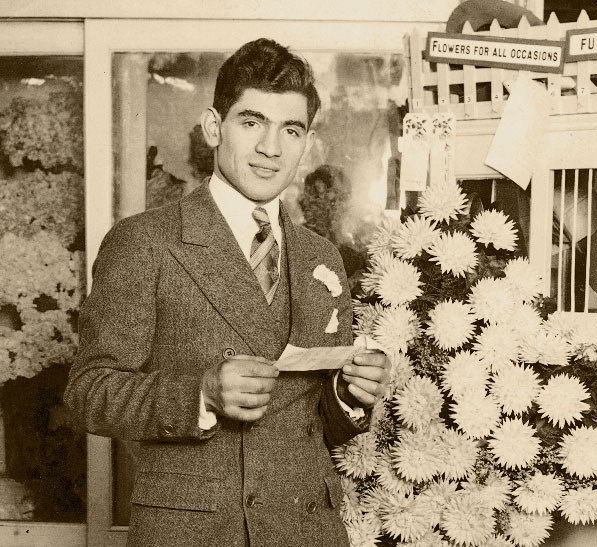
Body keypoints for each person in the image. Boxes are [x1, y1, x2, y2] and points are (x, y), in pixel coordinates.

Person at [64, 38, 390, 547]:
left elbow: (316, 424)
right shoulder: (146, 241)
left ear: (307, 141)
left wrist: (348, 396)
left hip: (308, 530)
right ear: (214, 126)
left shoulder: (321, 257)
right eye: (251, 121)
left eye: (291, 129)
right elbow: (89, 393)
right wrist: (201, 393)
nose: (271, 148)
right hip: (194, 531)